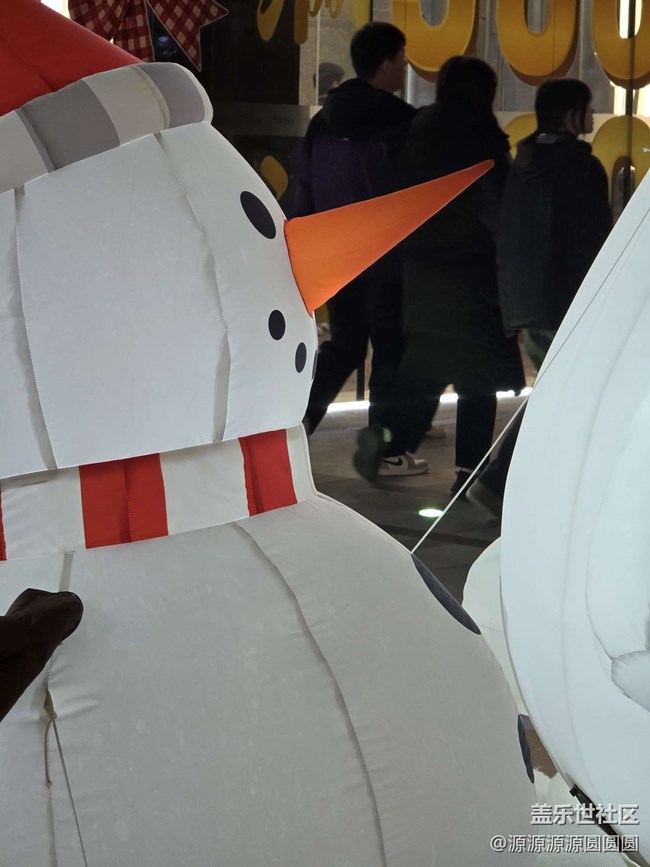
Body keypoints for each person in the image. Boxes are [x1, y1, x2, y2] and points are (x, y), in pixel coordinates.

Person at [354, 55, 524, 488]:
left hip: (421, 269)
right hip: (472, 272)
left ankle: (388, 441)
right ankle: (468, 472)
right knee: (477, 380)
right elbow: (497, 212)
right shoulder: (480, 137)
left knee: (428, 367)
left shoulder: (419, 132)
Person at [467, 77, 612, 517]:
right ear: (571, 115)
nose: (592, 116)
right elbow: (595, 241)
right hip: (566, 301)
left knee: (559, 391)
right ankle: (499, 480)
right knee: (563, 393)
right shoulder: (582, 168)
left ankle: (519, 483)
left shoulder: (524, 163)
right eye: (587, 108)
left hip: (528, 299)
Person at [294, 23, 428, 475]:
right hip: (387, 256)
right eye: (402, 58)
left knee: (346, 345)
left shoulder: (323, 120)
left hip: (338, 254)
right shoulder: (400, 120)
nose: (405, 66)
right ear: (386, 63)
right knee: (390, 350)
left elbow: (305, 188)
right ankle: (384, 449)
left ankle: (296, 425)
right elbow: (410, 190)